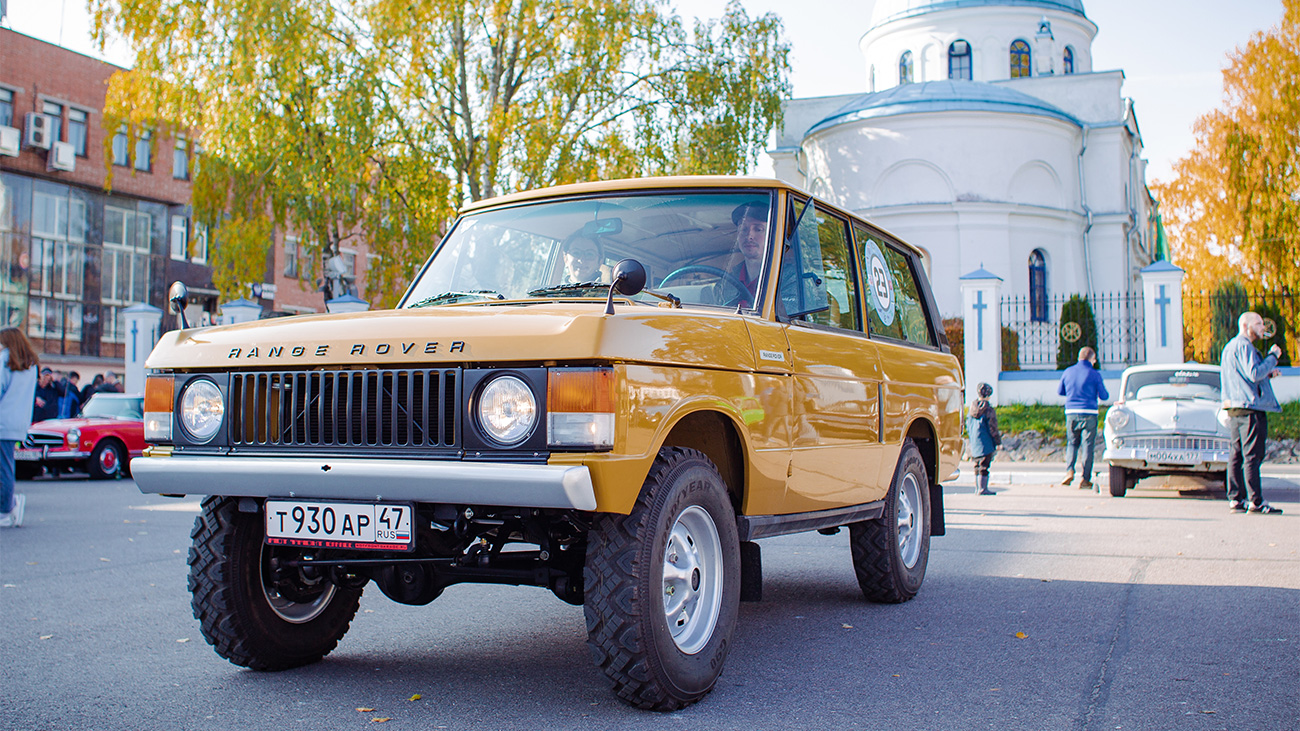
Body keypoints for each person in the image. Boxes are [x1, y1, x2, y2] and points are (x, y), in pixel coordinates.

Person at [1220, 311, 1285, 514]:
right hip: (1250, 409)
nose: (1262, 327)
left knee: (1236, 454)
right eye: (1258, 323)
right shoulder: (1245, 345)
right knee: (1252, 456)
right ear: (1246, 326)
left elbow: (1244, 377)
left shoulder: (1229, 347)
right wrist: (1272, 358)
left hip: (1235, 407)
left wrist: (1268, 374)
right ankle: (1256, 501)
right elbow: (1254, 373)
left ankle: (1236, 499)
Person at [0, 327, 38, 528]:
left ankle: (6, 509)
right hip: (18, 422)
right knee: (6, 466)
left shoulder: (4, 359)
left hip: (2, 420)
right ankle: (8, 506)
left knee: (3, 468)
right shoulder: (30, 364)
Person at [1058, 346, 1109, 490]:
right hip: (1089, 413)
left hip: (1071, 413)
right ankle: (1085, 480)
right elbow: (1104, 396)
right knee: (1088, 446)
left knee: (1072, 443)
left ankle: (1069, 470)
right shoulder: (1094, 374)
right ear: (1092, 359)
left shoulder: (1068, 372)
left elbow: (1060, 391)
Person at [725, 201, 768, 308]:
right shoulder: (727, 282)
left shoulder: (790, 279)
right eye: (743, 229)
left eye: (758, 229)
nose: (749, 236)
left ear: (772, 235)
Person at [966, 382, 1000, 496]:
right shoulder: (988, 410)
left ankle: (978, 488)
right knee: (984, 465)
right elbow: (993, 427)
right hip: (986, 442)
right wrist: (997, 442)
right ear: (988, 395)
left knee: (977, 465)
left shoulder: (971, 409)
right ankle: (983, 488)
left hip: (975, 442)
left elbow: (967, 425)